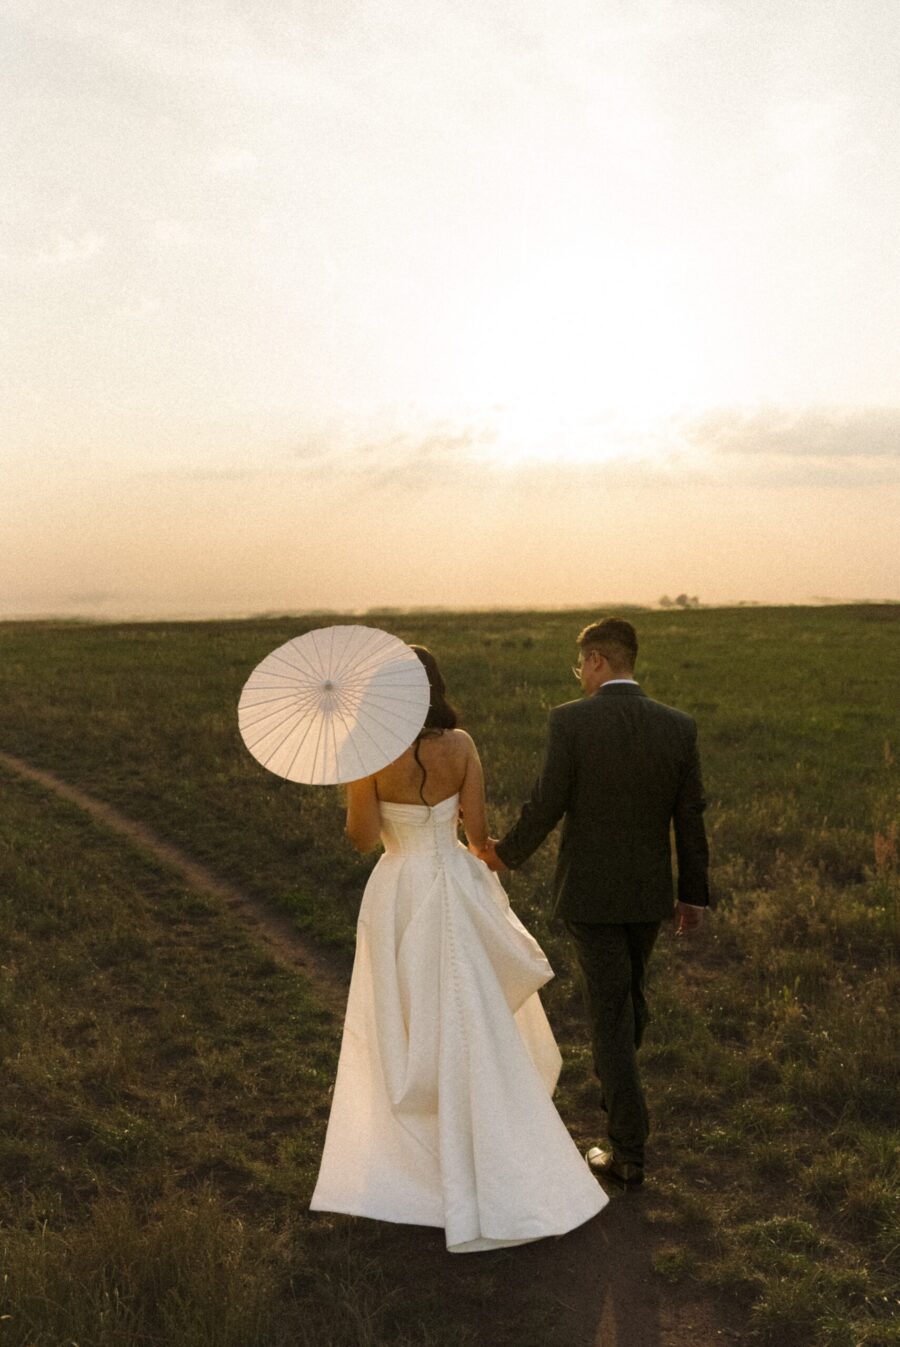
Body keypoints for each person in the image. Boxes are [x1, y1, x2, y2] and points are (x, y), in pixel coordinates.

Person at [310, 645, 607, 1252]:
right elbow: (476, 833)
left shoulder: (367, 749)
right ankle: (498, 1147)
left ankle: (416, 1164)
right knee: (472, 1018)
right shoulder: (463, 744)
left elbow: (364, 841)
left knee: (406, 1020)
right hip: (454, 881)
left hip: (399, 890)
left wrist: (357, 787)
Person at [481, 618, 710, 1189]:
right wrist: (693, 895)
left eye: (581, 664)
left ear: (600, 661)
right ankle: (621, 1095)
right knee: (626, 1000)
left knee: (613, 1010)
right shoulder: (678, 727)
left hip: (589, 892)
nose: (579, 674)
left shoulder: (570, 721)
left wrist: (504, 855)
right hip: (649, 894)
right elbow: (690, 820)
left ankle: (627, 1149)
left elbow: (547, 802)